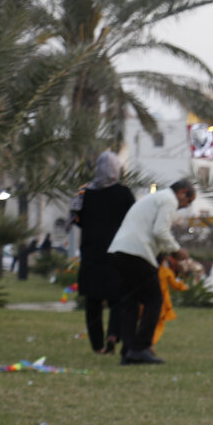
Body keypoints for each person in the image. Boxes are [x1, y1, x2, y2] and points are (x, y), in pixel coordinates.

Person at [108, 179, 196, 365]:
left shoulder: (154, 198)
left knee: (130, 303)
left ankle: (128, 351)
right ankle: (140, 348)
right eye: (188, 201)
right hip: (137, 253)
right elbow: (160, 231)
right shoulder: (169, 200)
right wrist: (177, 250)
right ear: (182, 192)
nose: (184, 207)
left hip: (119, 250)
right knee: (154, 299)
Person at [71, 151, 135, 354]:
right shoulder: (124, 193)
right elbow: (132, 220)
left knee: (93, 300)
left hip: (91, 253)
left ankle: (97, 345)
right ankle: (113, 334)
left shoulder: (85, 193)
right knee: (119, 296)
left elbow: (76, 219)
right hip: (117, 251)